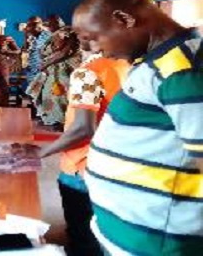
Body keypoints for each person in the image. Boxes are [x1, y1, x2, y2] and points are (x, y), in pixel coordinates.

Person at [74, 0, 203, 255]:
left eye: (95, 37)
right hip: (132, 234)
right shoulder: (155, 62)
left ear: (123, 19)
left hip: (156, 243)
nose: (98, 51)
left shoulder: (183, 69)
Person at [39, 39, 129, 256]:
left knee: (82, 234)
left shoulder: (88, 72)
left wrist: (39, 152)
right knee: (110, 233)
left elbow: (83, 129)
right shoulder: (132, 66)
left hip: (82, 164)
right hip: (121, 163)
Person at [27, 16, 81, 129]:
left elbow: (65, 51)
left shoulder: (67, 31)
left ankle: (64, 121)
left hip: (64, 69)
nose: (47, 26)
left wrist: (47, 63)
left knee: (60, 94)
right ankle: (53, 120)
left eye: (49, 23)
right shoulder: (53, 35)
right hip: (53, 69)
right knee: (49, 94)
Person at [23, 16, 50, 84]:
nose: (31, 26)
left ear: (41, 24)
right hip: (32, 70)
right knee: (32, 92)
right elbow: (26, 51)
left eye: (34, 23)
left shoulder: (48, 35)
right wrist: (25, 36)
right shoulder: (31, 36)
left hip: (44, 70)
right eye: (29, 24)